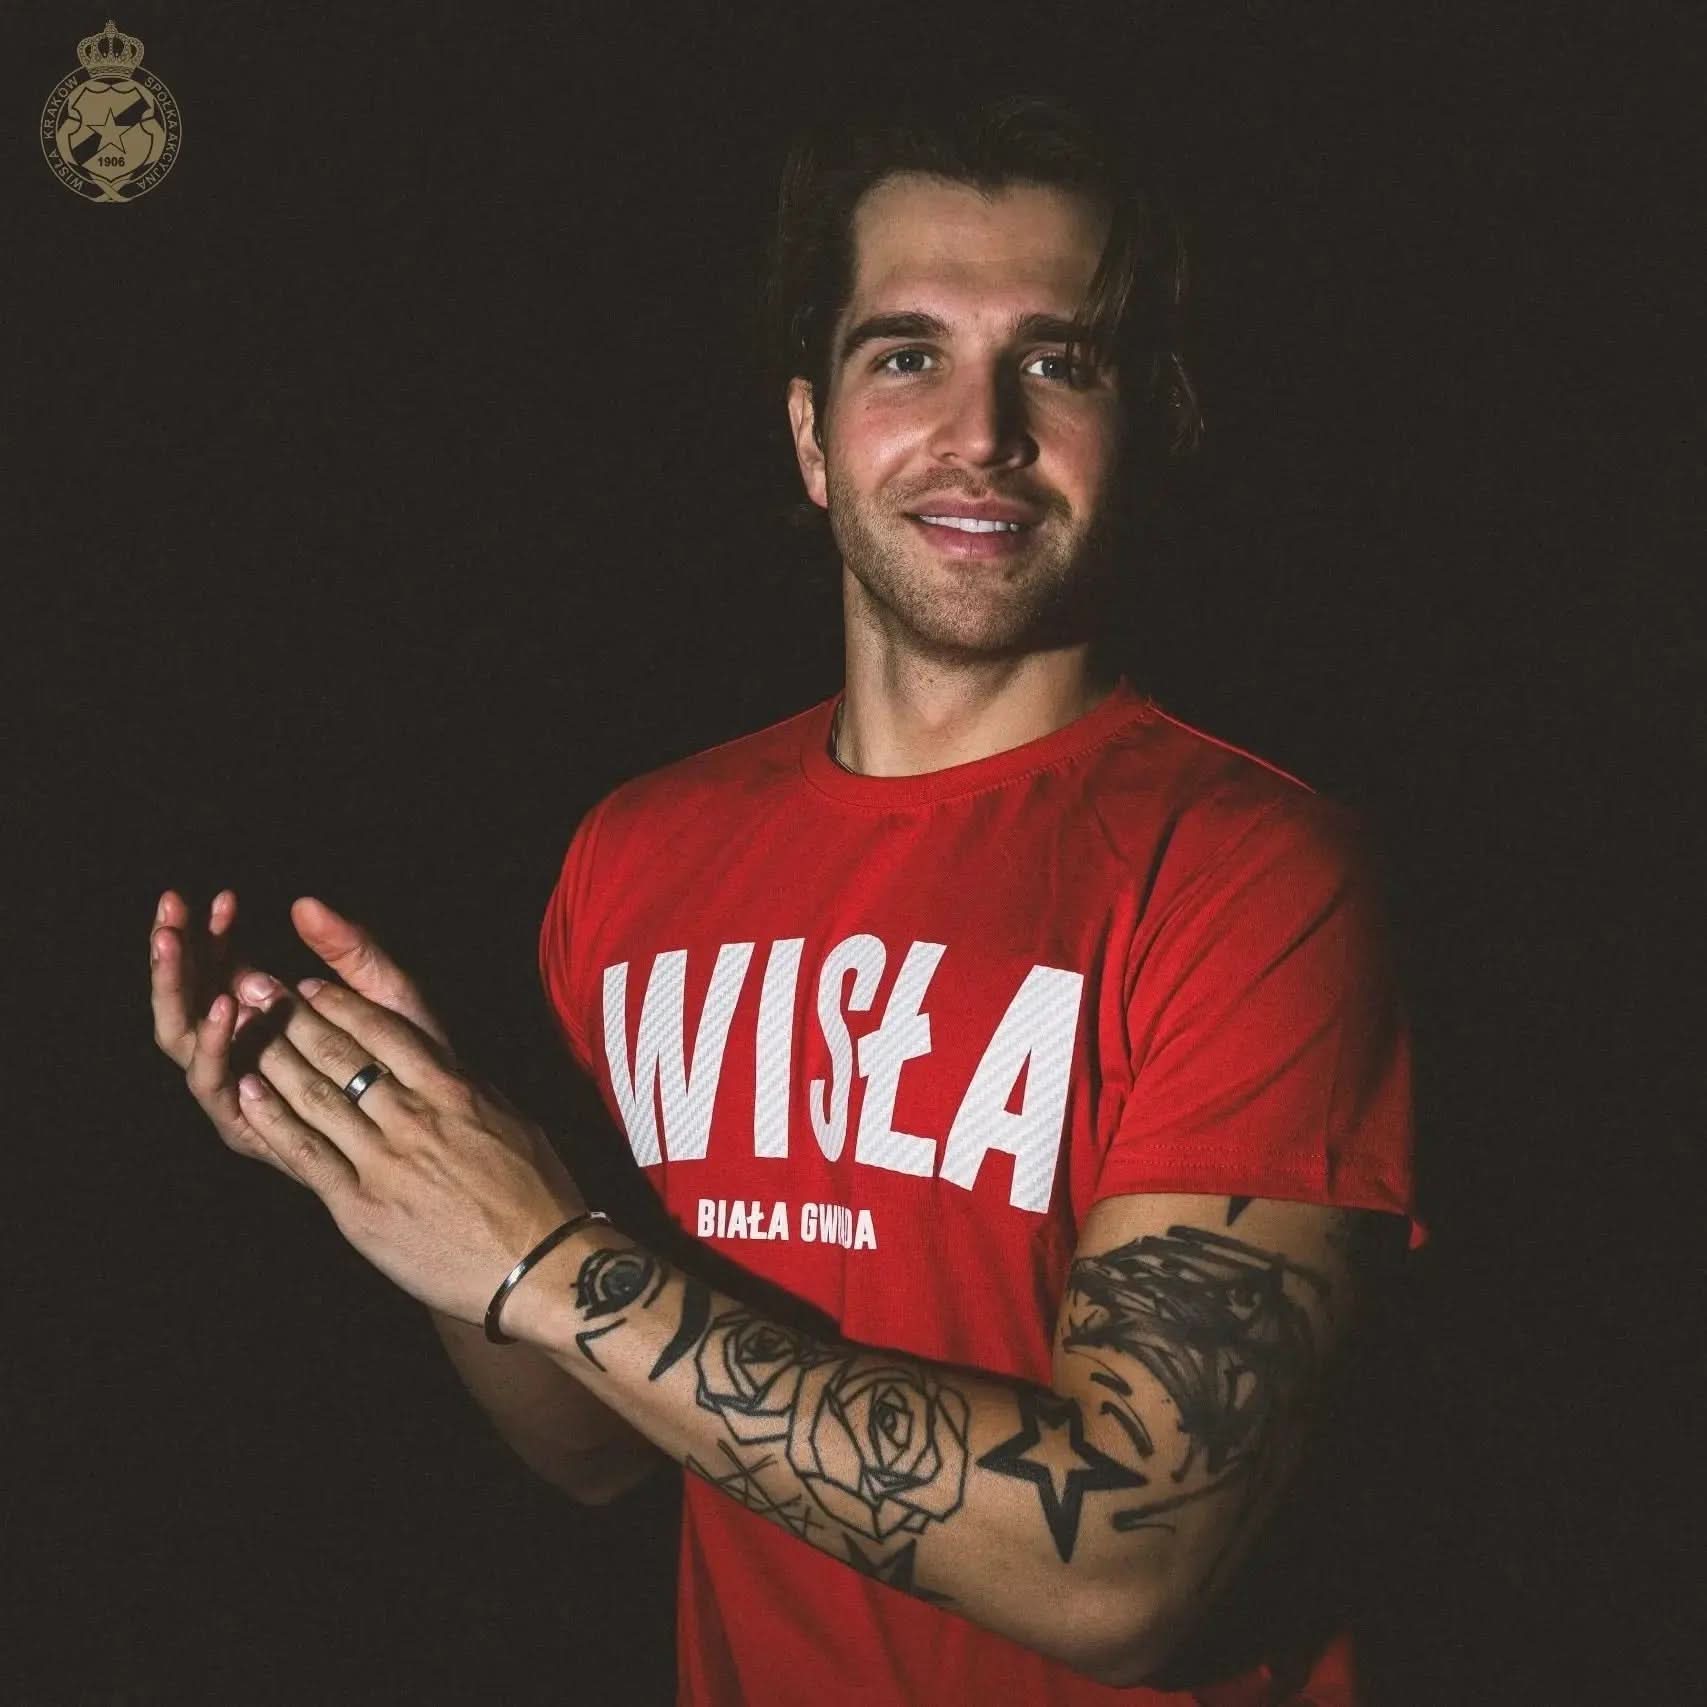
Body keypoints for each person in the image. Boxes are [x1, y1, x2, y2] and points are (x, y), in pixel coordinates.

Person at [150, 93, 1423, 1706]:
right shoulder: (641, 851)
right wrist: (412, 1167)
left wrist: (545, 1255)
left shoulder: (1253, 870)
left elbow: (1128, 1567)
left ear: (1149, 422)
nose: (983, 432)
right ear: (814, 437)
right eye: (907, 355)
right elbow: (594, 1450)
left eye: (1059, 359)